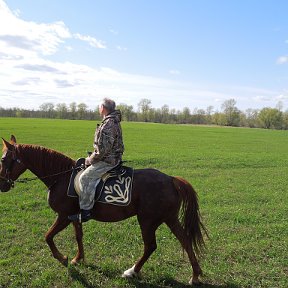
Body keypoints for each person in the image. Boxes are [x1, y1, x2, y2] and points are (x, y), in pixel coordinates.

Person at [68, 98, 124, 223]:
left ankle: (86, 212)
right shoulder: (112, 121)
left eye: (99, 106)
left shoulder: (109, 123)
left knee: (85, 178)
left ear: (103, 108)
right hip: (110, 157)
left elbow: (102, 150)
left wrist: (89, 160)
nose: (99, 108)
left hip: (108, 160)